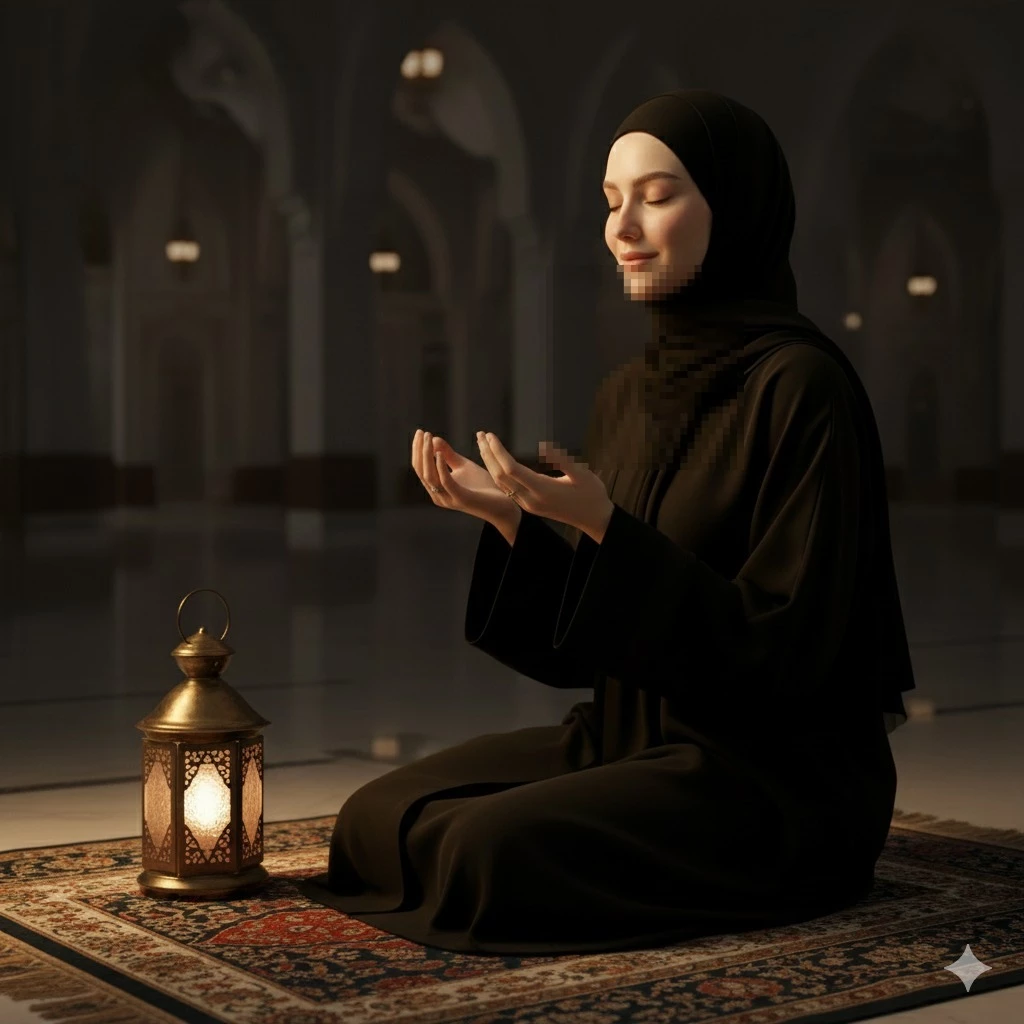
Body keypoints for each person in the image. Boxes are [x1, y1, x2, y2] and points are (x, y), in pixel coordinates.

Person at [295, 89, 917, 956]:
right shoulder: (630, 393)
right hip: (630, 739)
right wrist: (516, 523)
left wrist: (608, 532)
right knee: (373, 817)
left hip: (771, 776)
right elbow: (586, 649)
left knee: (485, 850)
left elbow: (789, 650)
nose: (622, 227)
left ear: (734, 210)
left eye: (657, 197)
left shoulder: (801, 389)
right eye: (610, 201)